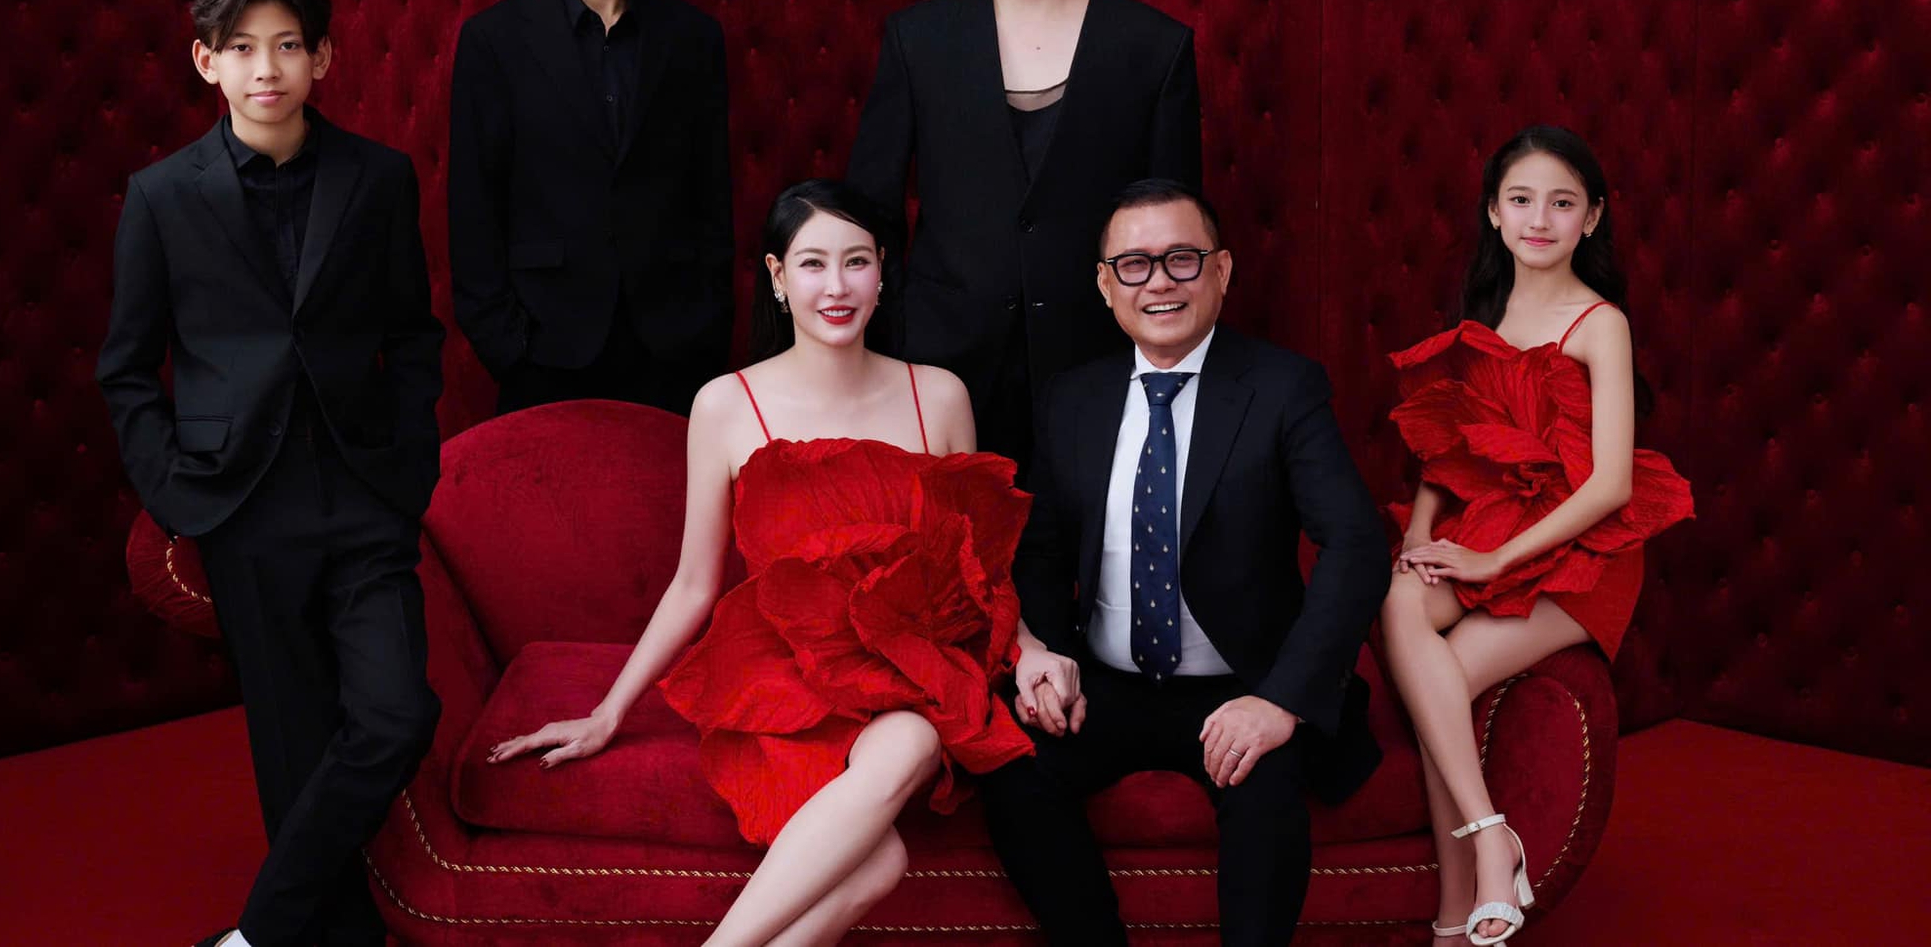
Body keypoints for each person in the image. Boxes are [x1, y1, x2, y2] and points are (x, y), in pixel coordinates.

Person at [486, 181, 1035, 945]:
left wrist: (1031, 648)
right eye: (812, 264)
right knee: (877, 865)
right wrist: (608, 712)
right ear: (777, 277)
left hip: (906, 671)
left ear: (883, 272)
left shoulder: (938, 396)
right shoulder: (725, 404)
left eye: (856, 262)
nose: (836, 287)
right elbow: (693, 584)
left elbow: (979, 564)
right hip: (787, 671)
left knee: (910, 748)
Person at [96, 0, 445, 947]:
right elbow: (127, 368)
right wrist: (176, 493)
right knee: (292, 743)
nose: (267, 68)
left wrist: (409, 464)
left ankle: (256, 934)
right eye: (242, 48)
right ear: (205, 61)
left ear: (322, 57)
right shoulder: (163, 196)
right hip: (241, 501)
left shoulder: (377, 177)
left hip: (364, 490)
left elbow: (413, 336)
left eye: (288, 45)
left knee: (393, 714)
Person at [981, 179, 1391, 947]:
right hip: (1104, 683)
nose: (1159, 281)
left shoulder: (1282, 387)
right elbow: (1039, 550)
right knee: (1008, 768)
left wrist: (1281, 701)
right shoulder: (1071, 399)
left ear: (1222, 270)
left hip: (1244, 682)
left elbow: (1357, 544)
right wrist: (1048, 654)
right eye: (1133, 265)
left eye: (1182, 258)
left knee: (1268, 798)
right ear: (1105, 285)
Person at [1381, 126, 1693, 945]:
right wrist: (1420, 536)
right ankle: (1484, 862)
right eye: (1521, 200)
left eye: (1562, 203)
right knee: (1402, 600)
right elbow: (1449, 448)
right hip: (1491, 517)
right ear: (1494, 211)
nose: (1540, 220)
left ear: (1592, 217)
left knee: (1439, 684)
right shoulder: (1487, 310)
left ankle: (1464, 899)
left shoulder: (1600, 322)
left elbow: (1611, 484)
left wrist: (1490, 557)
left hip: (1585, 548)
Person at [847, 0, 1201, 466]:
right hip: (943, 357)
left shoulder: (1152, 46)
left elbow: (1175, 222)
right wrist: (895, 331)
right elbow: (871, 209)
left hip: (1098, 350)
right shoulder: (920, 40)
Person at [449, 0, 733, 415]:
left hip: (670, 343)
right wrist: (507, 346)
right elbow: (474, 205)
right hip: (544, 344)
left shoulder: (692, 37)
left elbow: (711, 194)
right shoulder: (495, 41)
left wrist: (705, 326)